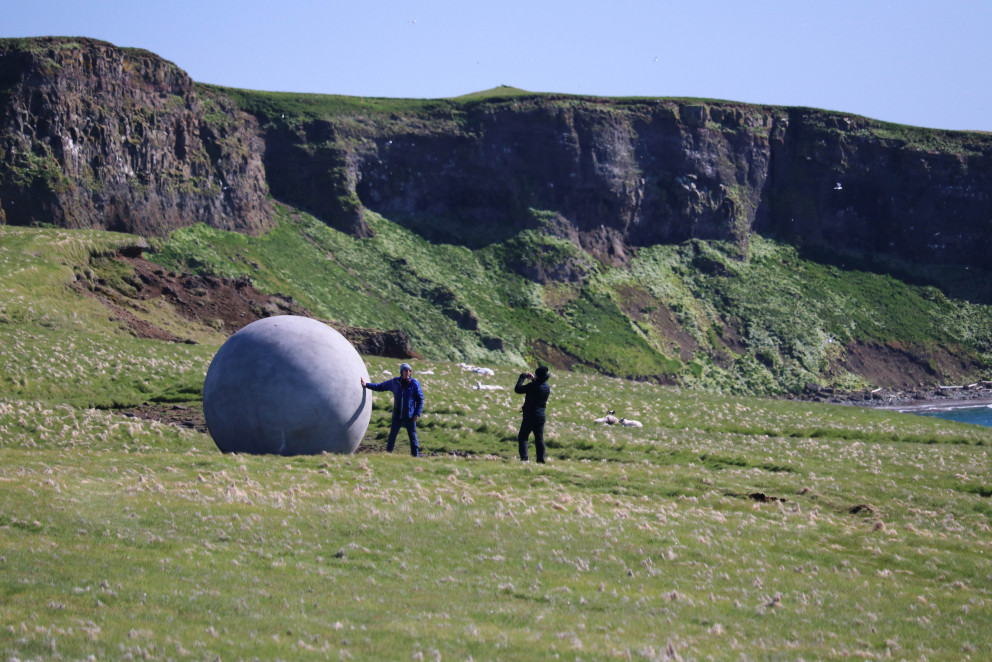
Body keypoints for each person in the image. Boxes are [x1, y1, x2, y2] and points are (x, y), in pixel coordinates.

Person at [361, 363, 424, 456]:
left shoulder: (414, 383)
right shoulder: (394, 382)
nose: (408, 372)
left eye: (409, 371)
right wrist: (366, 385)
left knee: (413, 438)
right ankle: (388, 455)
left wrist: (417, 414)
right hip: (397, 415)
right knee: (392, 436)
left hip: (410, 416)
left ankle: (416, 457)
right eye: (406, 370)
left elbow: (420, 399)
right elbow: (380, 387)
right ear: (401, 372)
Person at [514, 365, 551, 463]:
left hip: (530, 415)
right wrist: (533, 379)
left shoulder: (532, 386)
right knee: (539, 439)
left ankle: (525, 459)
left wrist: (522, 377)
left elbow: (518, 389)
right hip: (541, 416)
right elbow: (538, 384)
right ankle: (540, 461)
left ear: (537, 376)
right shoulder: (547, 387)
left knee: (523, 437)